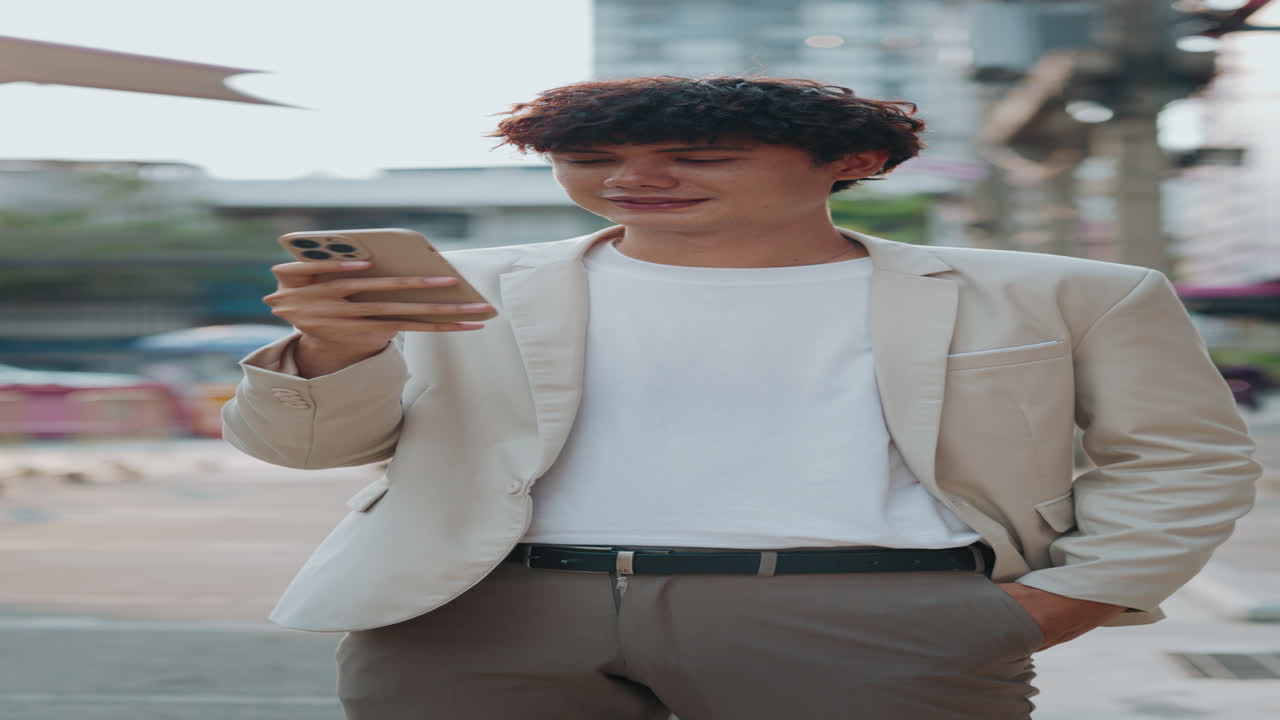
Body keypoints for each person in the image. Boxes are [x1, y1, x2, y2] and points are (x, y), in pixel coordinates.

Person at [222, 76, 1261, 720]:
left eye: (698, 157)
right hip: (479, 614)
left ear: (848, 164)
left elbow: (1184, 458)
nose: (636, 179)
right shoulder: (465, 284)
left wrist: (1054, 608)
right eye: (593, 161)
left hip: (872, 613)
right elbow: (305, 453)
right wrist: (333, 351)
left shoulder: (1069, 295)